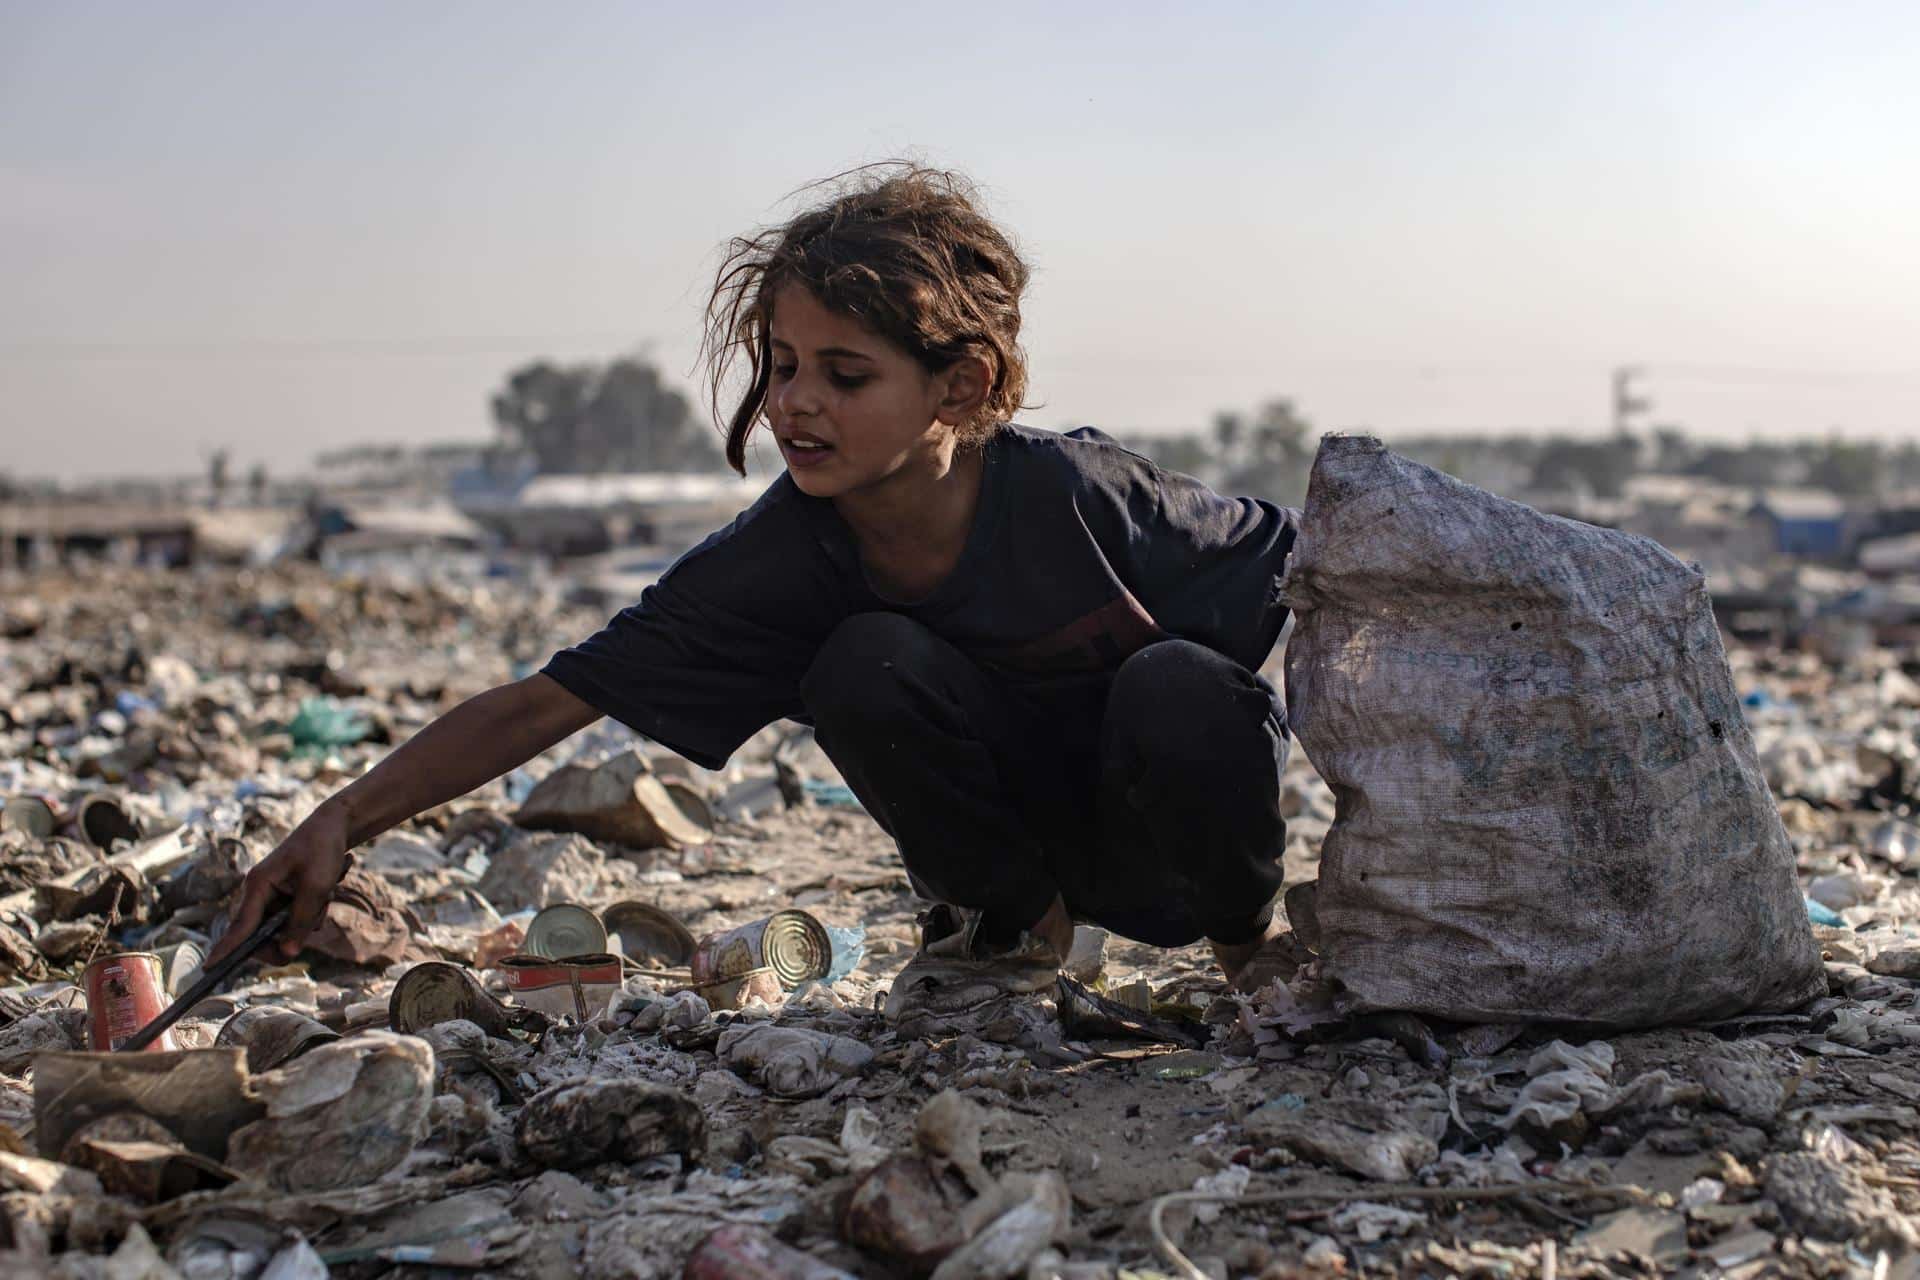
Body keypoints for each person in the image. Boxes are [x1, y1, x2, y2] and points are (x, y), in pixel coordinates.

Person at [211, 165, 1301, 1024]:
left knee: (1182, 684)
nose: (795, 404)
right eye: (781, 364)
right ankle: (1014, 933)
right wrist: (339, 818)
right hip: (1020, 854)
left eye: (845, 373)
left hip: (1172, 857)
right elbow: (549, 699)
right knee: (860, 660)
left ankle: (1254, 955)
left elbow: (1320, 577)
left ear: (959, 385)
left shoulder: (1081, 496)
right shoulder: (784, 554)